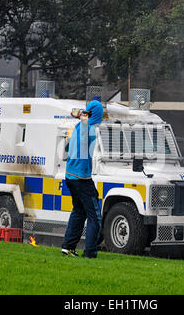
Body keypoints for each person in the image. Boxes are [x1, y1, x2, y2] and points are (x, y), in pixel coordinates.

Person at [61, 100, 103, 258]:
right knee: (95, 216)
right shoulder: (88, 127)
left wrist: (82, 115)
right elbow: (85, 142)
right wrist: (85, 117)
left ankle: (68, 246)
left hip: (70, 175)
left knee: (79, 211)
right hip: (82, 178)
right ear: (97, 114)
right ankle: (90, 252)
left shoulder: (78, 125)